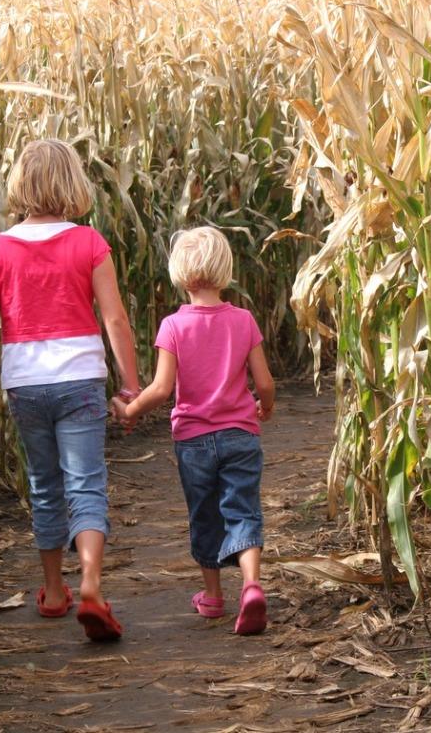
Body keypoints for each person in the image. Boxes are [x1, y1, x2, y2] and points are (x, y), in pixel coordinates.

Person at [0, 139, 139, 642]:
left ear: (20, 185)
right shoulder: (89, 242)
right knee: (85, 482)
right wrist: (132, 384)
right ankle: (90, 583)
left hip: (25, 383)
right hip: (80, 379)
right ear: (73, 182)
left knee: (45, 485)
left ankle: (52, 592)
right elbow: (113, 317)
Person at [112, 226, 274, 635]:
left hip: (194, 441)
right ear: (225, 271)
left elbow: (163, 389)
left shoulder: (172, 326)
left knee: (204, 515)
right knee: (242, 510)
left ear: (179, 273)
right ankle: (252, 586)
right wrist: (265, 406)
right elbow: (265, 382)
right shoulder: (243, 320)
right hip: (240, 434)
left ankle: (214, 597)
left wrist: (131, 409)